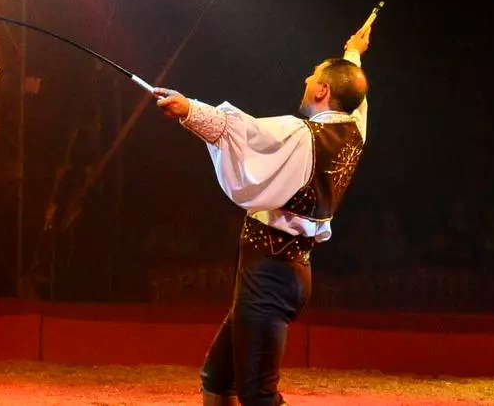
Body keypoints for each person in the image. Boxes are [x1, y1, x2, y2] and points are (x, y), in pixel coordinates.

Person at [150, 23, 372, 406]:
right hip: (284, 273)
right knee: (218, 379)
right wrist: (353, 53)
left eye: (313, 76)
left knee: (258, 396)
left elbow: (245, 133)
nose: (306, 79)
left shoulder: (300, 135)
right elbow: (358, 99)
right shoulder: (355, 133)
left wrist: (189, 109)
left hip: (270, 274)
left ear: (323, 91)